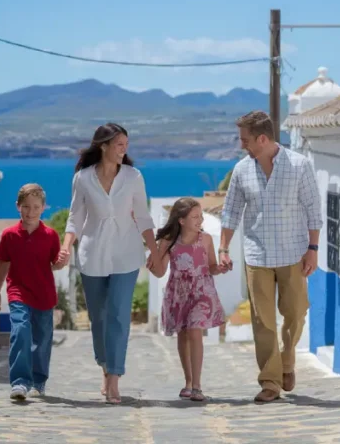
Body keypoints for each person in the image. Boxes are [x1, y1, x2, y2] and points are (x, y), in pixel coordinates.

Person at [219, 110, 323, 403]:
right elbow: (230, 213)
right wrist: (224, 249)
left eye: (246, 139)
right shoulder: (241, 170)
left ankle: (287, 361)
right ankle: (270, 381)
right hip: (257, 255)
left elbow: (314, 211)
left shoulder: (299, 166)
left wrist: (313, 250)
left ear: (262, 139)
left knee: (296, 314)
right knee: (263, 321)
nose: (242, 145)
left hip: (293, 253)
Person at [58, 123, 158, 405]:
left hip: (126, 254)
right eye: (119, 145)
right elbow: (74, 218)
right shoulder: (82, 178)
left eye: (126, 145)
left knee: (117, 314)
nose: (124, 150)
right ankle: (104, 365)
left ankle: (114, 377)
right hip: (92, 255)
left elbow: (143, 216)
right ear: (103, 146)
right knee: (98, 318)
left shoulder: (133, 176)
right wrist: (66, 248)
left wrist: (155, 252)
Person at [149, 198, 228, 402]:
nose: (200, 220)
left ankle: (197, 386)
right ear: (181, 220)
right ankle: (188, 382)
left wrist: (218, 268)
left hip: (202, 291)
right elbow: (159, 273)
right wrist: (154, 258)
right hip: (179, 292)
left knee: (195, 331)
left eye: (201, 216)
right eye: (195, 217)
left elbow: (211, 265)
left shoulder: (207, 239)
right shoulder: (168, 242)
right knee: (183, 335)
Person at [0, 183, 63, 401]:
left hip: (44, 295)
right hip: (18, 292)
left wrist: (61, 262)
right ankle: (20, 382)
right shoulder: (9, 235)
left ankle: (38, 381)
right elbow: (3, 264)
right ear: (18, 207)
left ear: (43, 208)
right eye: (25, 207)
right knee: (21, 331)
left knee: (42, 341)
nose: (30, 212)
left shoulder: (50, 235)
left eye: (35, 207)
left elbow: (54, 264)